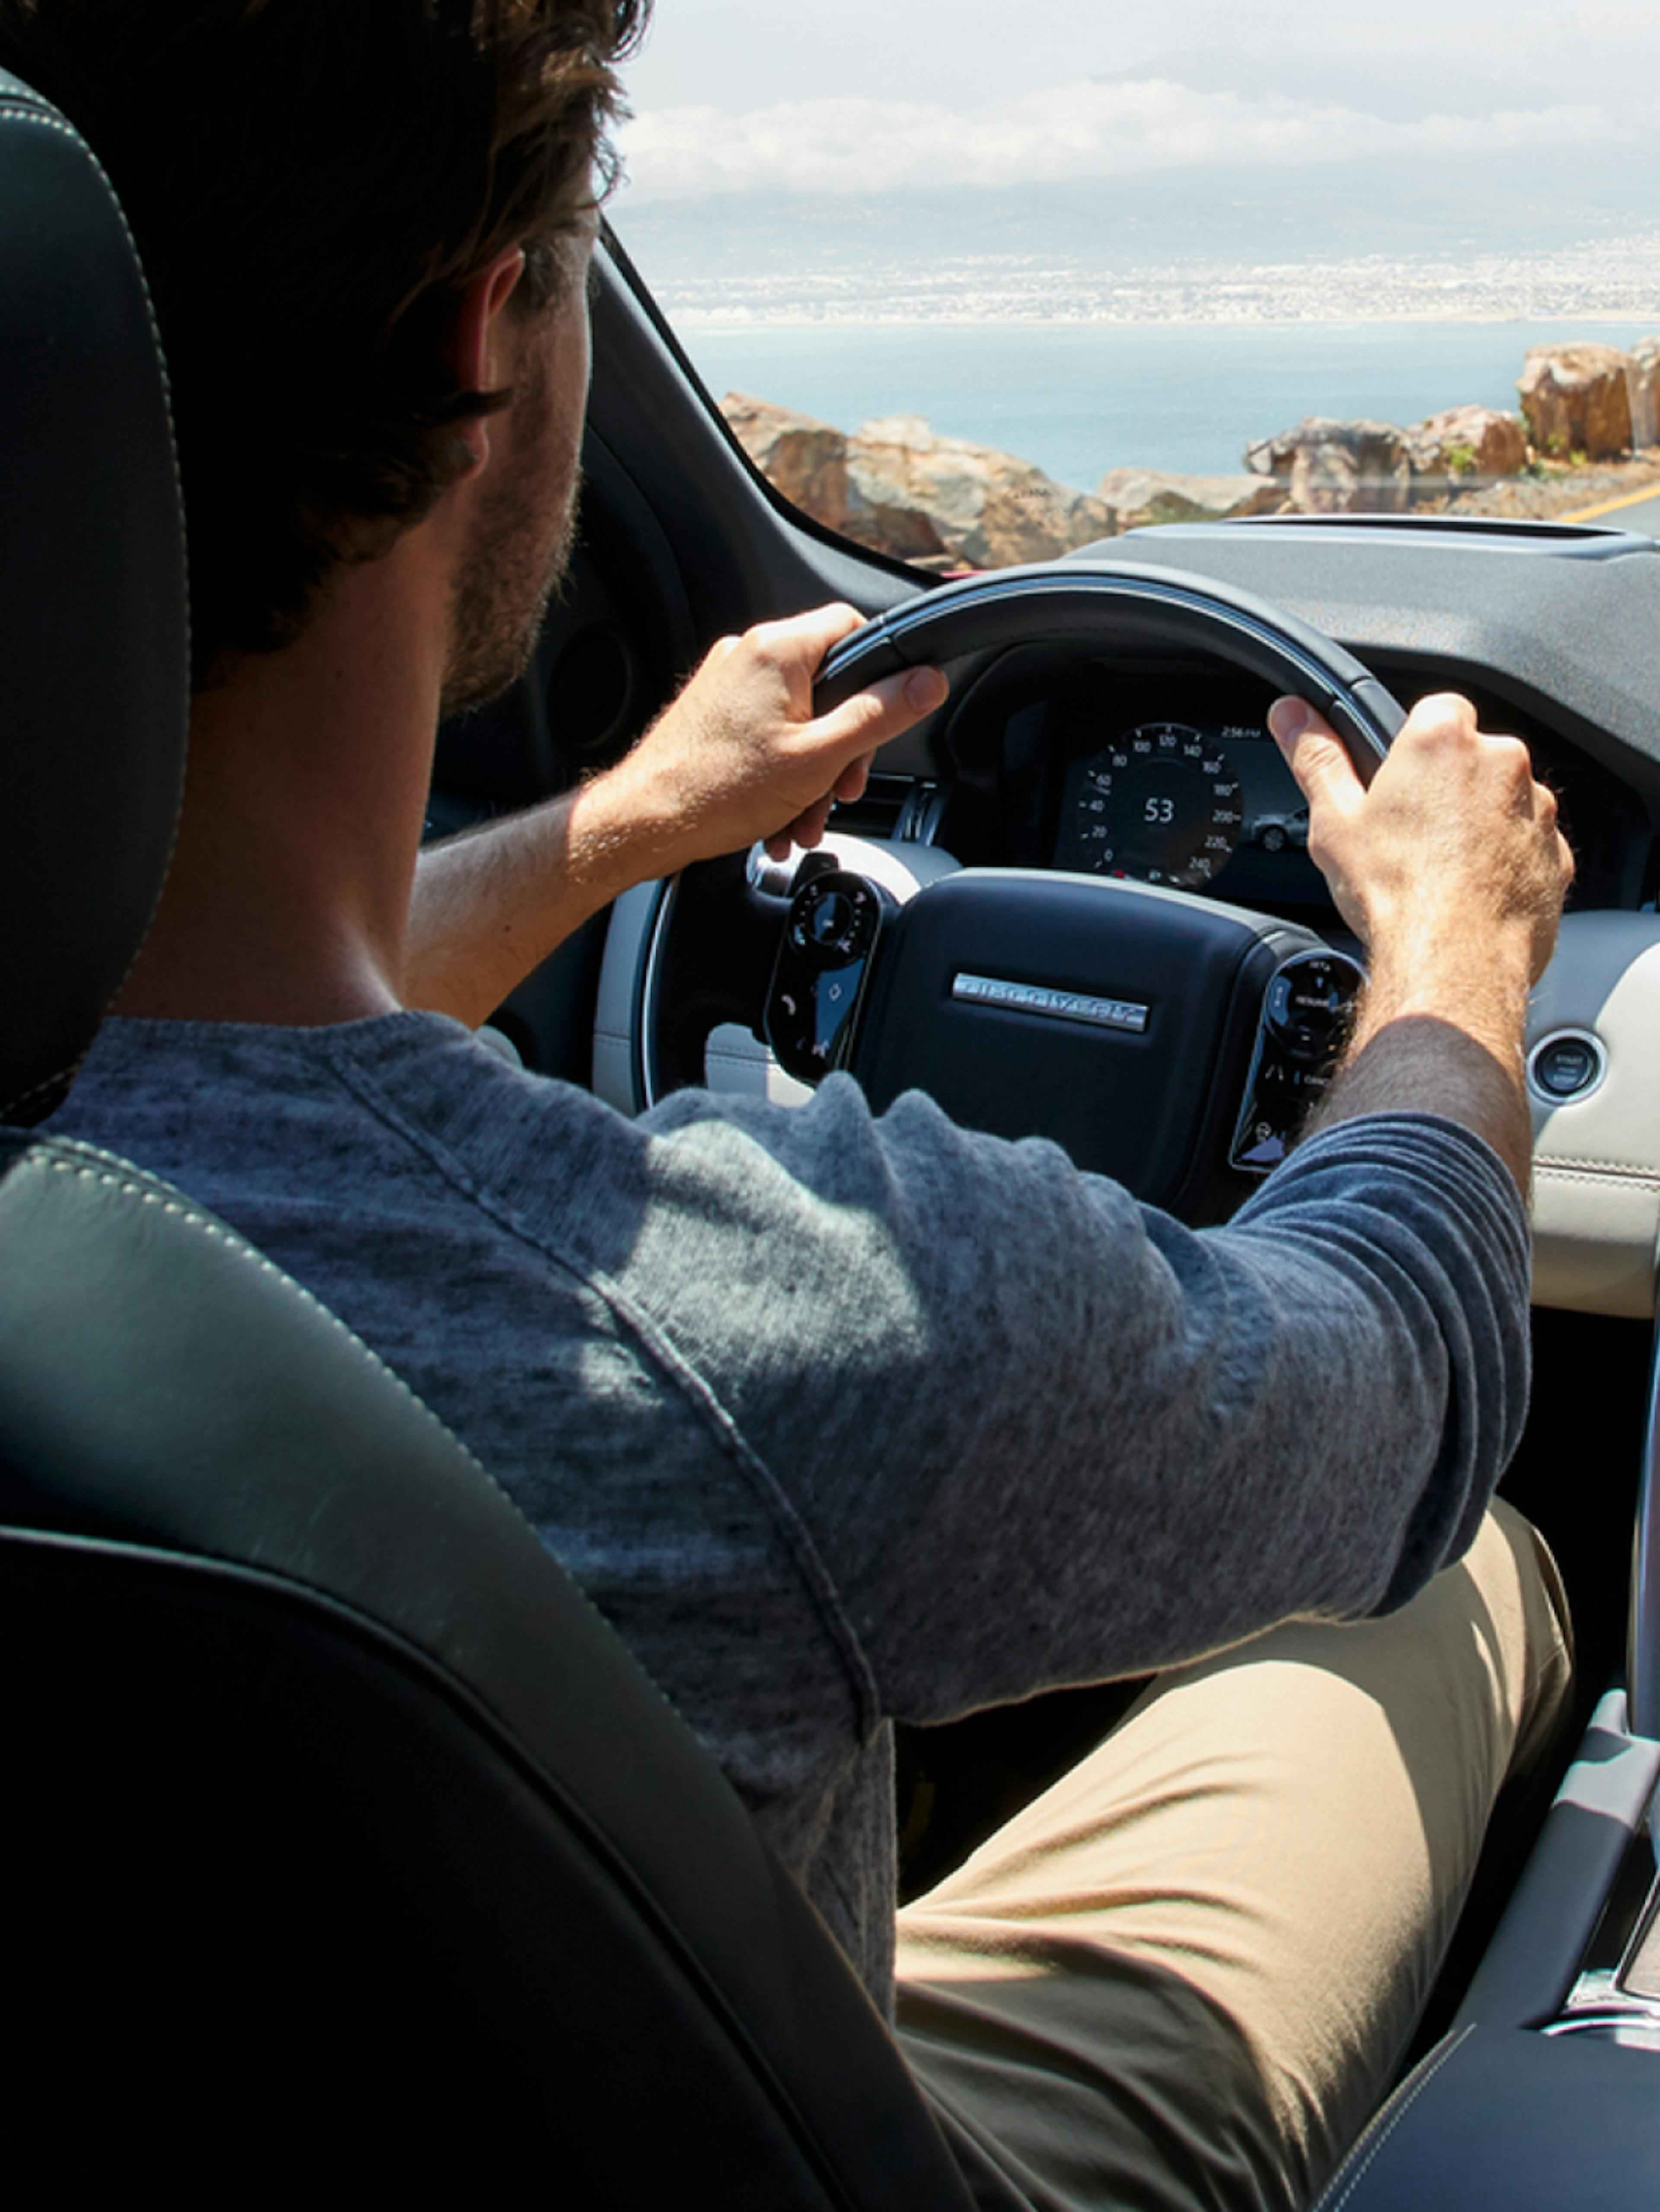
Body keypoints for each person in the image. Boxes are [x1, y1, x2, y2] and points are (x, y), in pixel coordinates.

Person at [8, 4, 1574, 2206]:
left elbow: (198, 1031)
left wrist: (620, 830)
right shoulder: (759, 1331)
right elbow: (1412, 1373)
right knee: (1462, 1575)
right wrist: (1453, 953)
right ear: (485, 334)